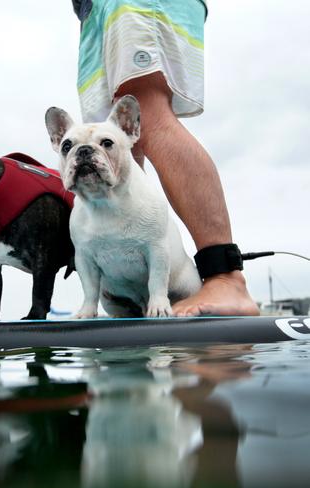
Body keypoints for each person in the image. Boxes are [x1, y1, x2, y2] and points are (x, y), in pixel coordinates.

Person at [70, 0, 259, 316]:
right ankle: (142, 297)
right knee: (116, 135)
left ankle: (225, 277)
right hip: (92, 11)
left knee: (148, 113)